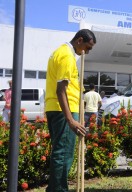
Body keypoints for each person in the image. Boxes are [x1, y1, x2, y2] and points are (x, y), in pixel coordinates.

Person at [45, 29, 96, 192]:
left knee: (59, 152)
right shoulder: (67, 55)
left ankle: (54, 188)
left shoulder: (59, 52)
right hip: (63, 111)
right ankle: (58, 189)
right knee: (64, 154)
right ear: (79, 40)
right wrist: (70, 120)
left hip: (54, 108)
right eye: (87, 47)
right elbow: (61, 89)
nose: (86, 52)